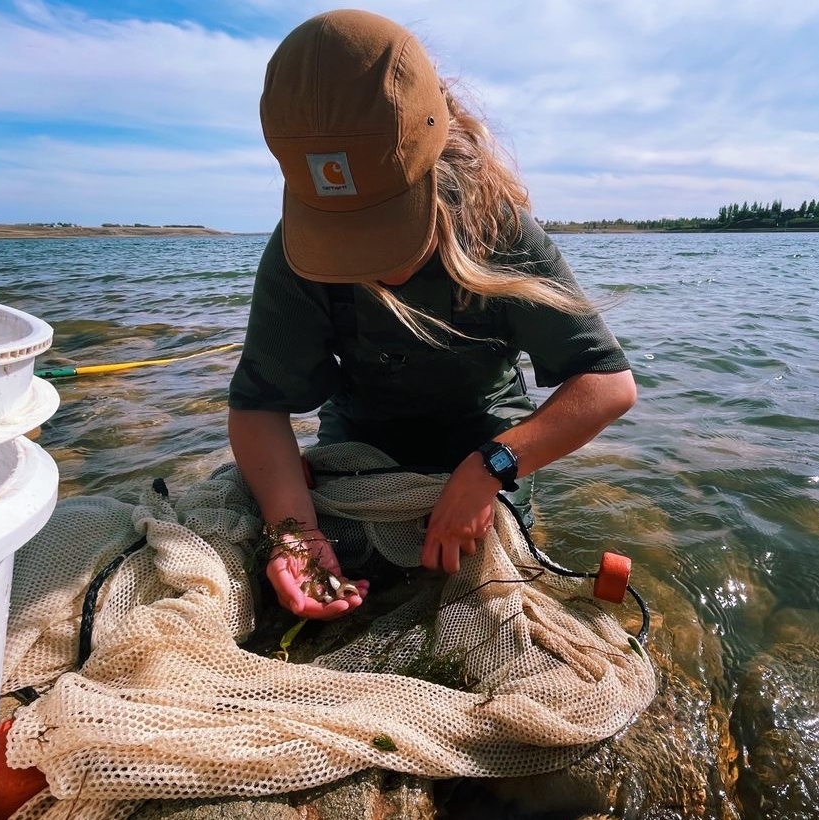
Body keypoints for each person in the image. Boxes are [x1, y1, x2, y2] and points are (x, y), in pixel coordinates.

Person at [227, 9, 636, 621]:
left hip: (486, 433)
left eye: (385, 226)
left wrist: (493, 465)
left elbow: (607, 385)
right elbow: (259, 407)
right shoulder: (294, 251)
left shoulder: (496, 227)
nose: (372, 263)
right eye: (344, 234)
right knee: (329, 582)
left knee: (479, 598)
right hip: (361, 436)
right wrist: (294, 532)